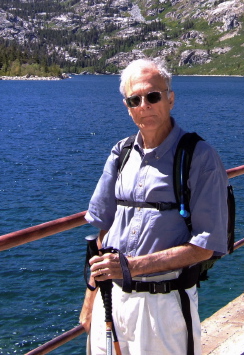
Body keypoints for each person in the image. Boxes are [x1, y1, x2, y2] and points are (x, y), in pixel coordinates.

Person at [80, 58, 229, 355]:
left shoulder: (199, 157)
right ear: (127, 105)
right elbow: (103, 233)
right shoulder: (120, 154)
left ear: (170, 99)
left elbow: (206, 245)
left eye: (153, 96)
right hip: (110, 300)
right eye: (135, 99)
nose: (144, 105)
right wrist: (90, 300)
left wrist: (130, 267)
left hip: (163, 305)